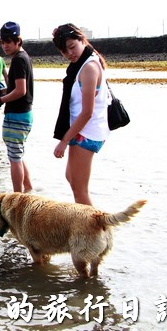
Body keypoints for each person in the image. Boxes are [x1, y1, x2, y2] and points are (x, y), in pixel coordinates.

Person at [52, 23, 111, 206]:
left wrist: (64, 141)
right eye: (64, 51)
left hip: (88, 131)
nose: (70, 54)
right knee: (70, 177)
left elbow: (87, 112)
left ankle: (93, 231)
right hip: (82, 130)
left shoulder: (89, 68)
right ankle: (90, 226)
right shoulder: (82, 63)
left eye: (72, 47)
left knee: (79, 190)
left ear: (81, 39)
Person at [0, 22, 34, 193]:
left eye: (9, 41)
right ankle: (28, 189)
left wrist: (1, 101)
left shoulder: (18, 60)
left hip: (17, 114)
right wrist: (1, 91)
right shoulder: (23, 57)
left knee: (14, 158)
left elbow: (21, 91)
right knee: (18, 155)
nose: (5, 46)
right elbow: (18, 87)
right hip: (24, 114)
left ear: (18, 41)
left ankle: (17, 197)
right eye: (2, 42)